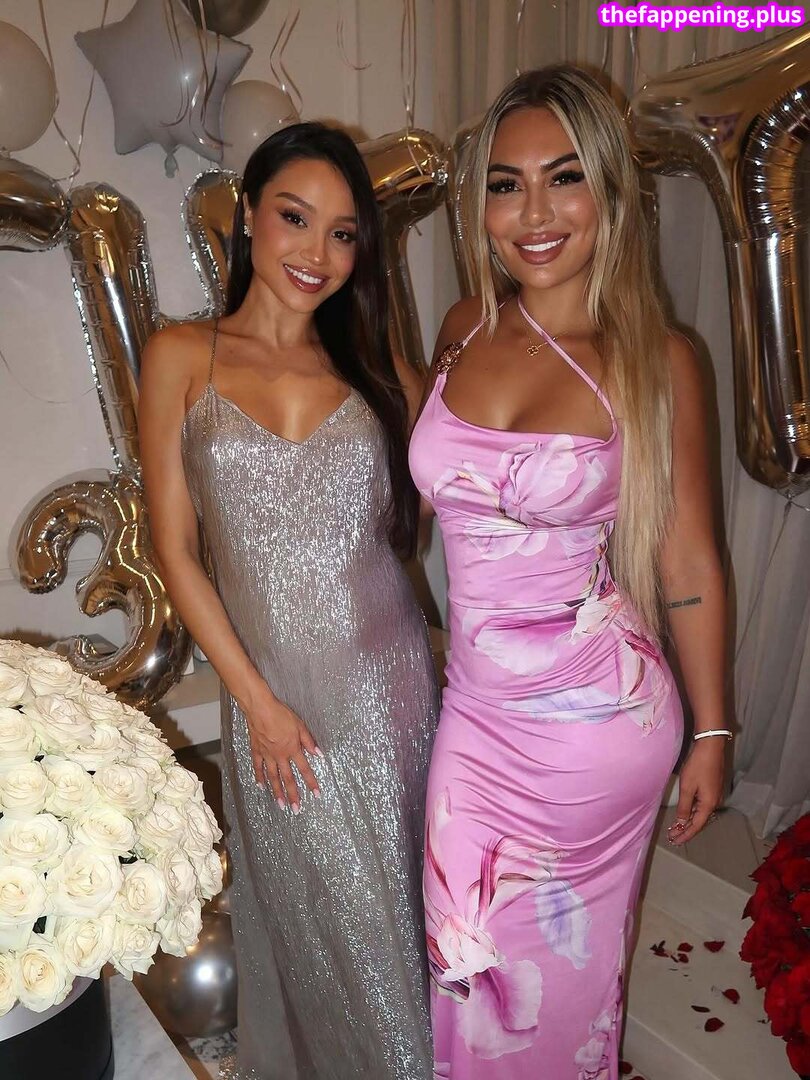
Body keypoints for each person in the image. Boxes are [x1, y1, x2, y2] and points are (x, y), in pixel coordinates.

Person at [409, 65, 728, 1078]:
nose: (535, 214)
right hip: (475, 712)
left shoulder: (654, 358)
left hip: (594, 722)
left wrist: (713, 731)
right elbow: (430, 500)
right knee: (463, 962)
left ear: (611, 193)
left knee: (557, 989)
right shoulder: (462, 327)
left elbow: (686, 559)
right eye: (507, 185)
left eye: (565, 178)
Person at [139, 121, 438, 1080]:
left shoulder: (379, 370)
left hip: (391, 691)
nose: (317, 252)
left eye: (343, 233)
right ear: (247, 215)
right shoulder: (181, 356)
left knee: (403, 928)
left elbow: (446, 512)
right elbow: (176, 551)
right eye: (295, 218)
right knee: (323, 934)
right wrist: (258, 704)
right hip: (274, 703)